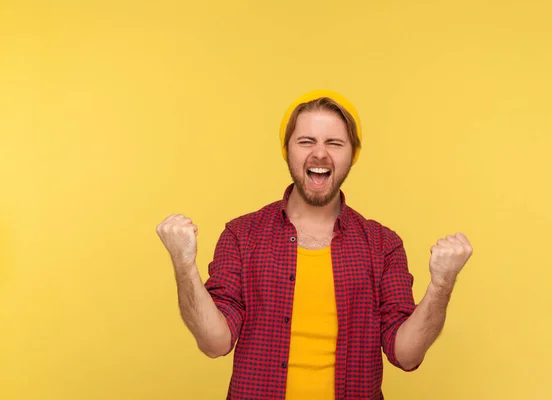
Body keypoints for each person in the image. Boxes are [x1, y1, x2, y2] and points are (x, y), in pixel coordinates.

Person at [156, 90, 473, 399]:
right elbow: (215, 343)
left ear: (354, 154)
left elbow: (405, 355)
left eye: (334, 143)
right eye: (306, 141)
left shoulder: (383, 245)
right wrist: (184, 266)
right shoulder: (242, 236)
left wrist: (442, 284)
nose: (319, 154)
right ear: (287, 149)